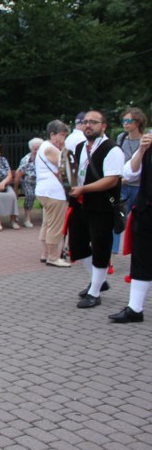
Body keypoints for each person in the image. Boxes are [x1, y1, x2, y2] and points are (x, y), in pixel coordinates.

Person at [68, 111, 124, 309]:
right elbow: (75, 173)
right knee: (77, 244)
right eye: (85, 122)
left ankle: (95, 292)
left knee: (100, 246)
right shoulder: (80, 147)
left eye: (93, 122)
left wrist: (84, 188)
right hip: (80, 203)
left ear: (104, 126)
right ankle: (98, 280)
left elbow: (111, 180)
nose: (88, 125)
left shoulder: (112, 149)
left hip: (101, 205)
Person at [109, 129, 152, 323]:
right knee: (141, 259)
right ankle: (135, 308)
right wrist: (142, 150)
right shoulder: (148, 145)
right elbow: (129, 173)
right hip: (146, 211)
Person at [110, 107, 147, 265]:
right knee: (117, 219)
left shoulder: (146, 139)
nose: (125, 124)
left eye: (128, 120)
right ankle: (110, 257)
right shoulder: (121, 138)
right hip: (123, 185)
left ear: (137, 122)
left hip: (140, 186)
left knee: (139, 222)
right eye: (123, 121)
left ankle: (138, 257)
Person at [35, 121, 71, 267]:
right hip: (54, 193)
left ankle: (45, 254)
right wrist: (64, 149)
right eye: (61, 135)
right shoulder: (50, 148)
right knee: (55, 225)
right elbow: (66, 164)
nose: (63, 138)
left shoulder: (44, 146)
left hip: (45, 191)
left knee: (48, 223)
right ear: (52, 135)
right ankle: (53, 257)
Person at [14, 137, 43, 228]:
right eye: (35, 149)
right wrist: (16, 190)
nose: (37, 151)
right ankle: (27, 218)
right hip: (28, 182)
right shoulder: (26, 160)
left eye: (39, 149)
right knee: (30, 195)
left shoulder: (44, 158)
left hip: (41, 182)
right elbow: (18, 175)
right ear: (31, 149)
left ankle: (46, 218)